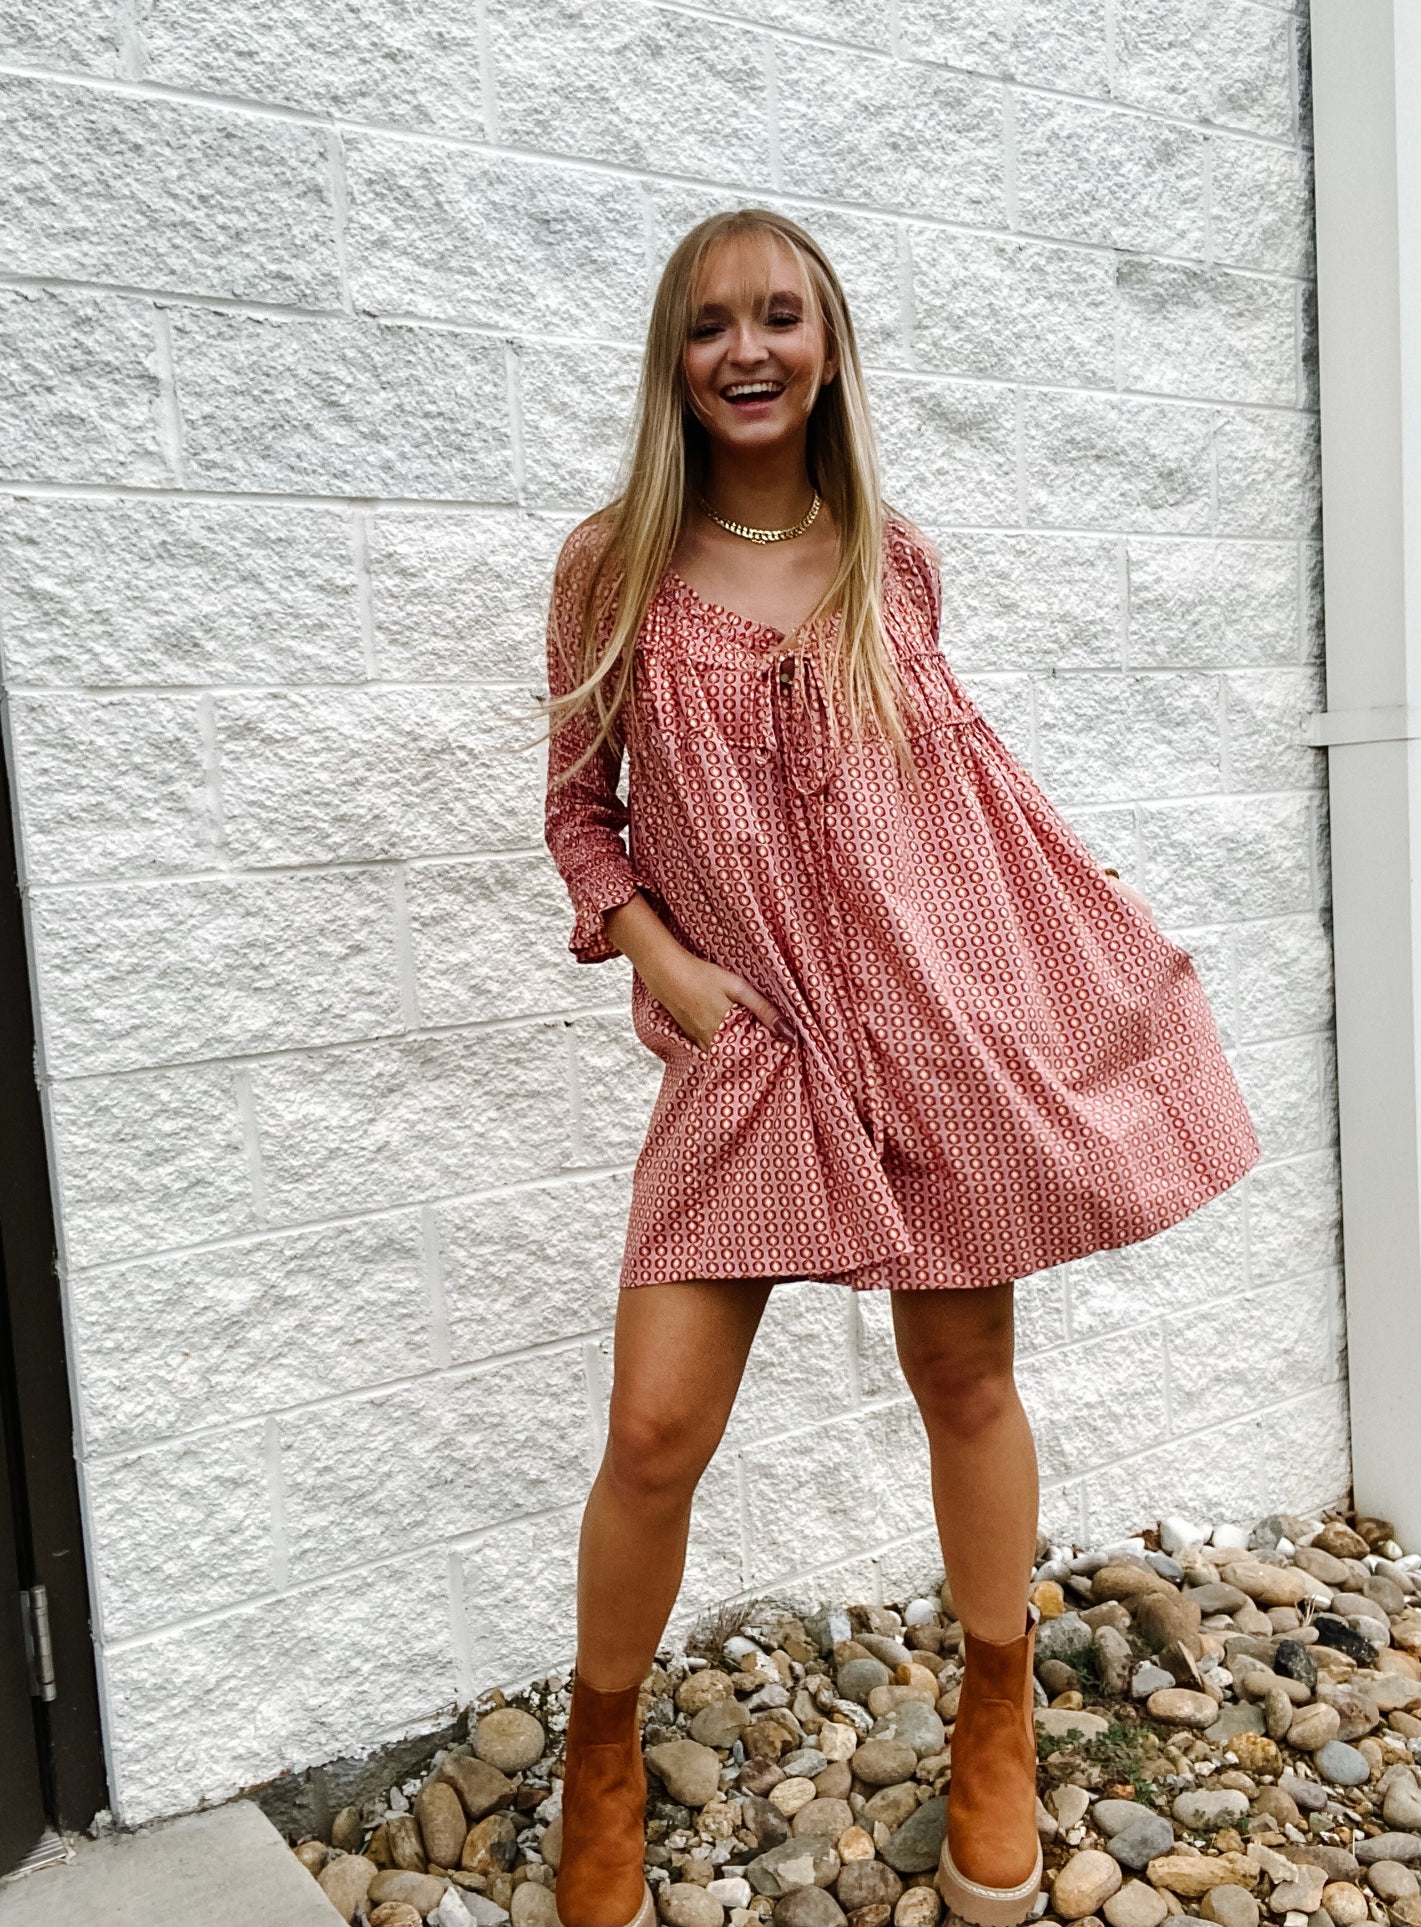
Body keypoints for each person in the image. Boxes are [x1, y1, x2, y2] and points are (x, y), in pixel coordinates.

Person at [540, 209, 1260, 1927]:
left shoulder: (892, 559)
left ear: (828, 348)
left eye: (778, 316)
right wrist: (670, 971)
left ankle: (995, 1718)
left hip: (929, 1037)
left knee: (963, 1378)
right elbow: (579, 814)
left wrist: (1071, 930)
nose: (746, 349)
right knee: (653, 1428)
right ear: (673, 360)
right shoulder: (609, 568)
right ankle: (602, 1755)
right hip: (755, 1048)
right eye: (709, 323)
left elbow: (960, 806)